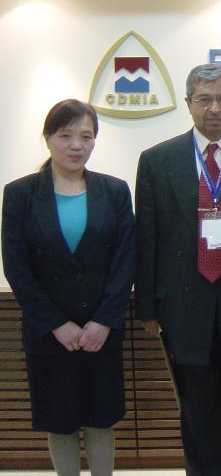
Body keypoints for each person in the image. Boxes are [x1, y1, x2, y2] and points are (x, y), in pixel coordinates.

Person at [134, 63, 221, 476]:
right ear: (188, 103)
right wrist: (147, 308)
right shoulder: (157, 160)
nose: (214, 108)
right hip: (183, 308)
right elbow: (147, 237)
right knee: (197, 413)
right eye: (204, 99)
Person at [1, 99, 135, 476]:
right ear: (47, 138)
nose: (77, 145)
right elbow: (17, 268)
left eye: (86, 136)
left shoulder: (114, 191)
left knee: (101, 418)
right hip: (49, 334)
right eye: (65, 136)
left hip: (101, 332)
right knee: (58, 420)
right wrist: (56, 324)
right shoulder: (20, 194)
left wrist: (103, 322)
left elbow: (125, 261)